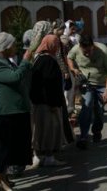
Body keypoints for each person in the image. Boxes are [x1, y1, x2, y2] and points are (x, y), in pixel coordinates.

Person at [0, 33, 33, 191]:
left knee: (7, 148)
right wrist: (25, 60)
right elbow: (14, 78)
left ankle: (3, 179)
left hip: (11, 111)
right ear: (6, 47)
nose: (15, 48)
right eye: (13, 45)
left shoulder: (4, 61)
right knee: (0, 147)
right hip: (1, 112)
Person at [67, 34, 107, 150]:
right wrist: (73, 69)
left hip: (101, 84)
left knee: (99, 110)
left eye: (89, 51)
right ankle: (83, 136)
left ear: (93, 46)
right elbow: (69, 57)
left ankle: (97, 130)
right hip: (86, 83)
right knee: (86, 105)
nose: (87, 54)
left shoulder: (103, 51)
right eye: (85, 52)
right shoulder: (76, 49)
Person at [30, 35, 66, 167]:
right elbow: (49, 84)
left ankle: (39, 157)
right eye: (56, 44)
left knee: (39, 131)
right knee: (49, 130)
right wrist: (52, 103)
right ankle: (49, 157)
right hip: (47, 104)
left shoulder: (39, 59)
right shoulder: (48, 61)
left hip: (38, 102)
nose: (57, 47)